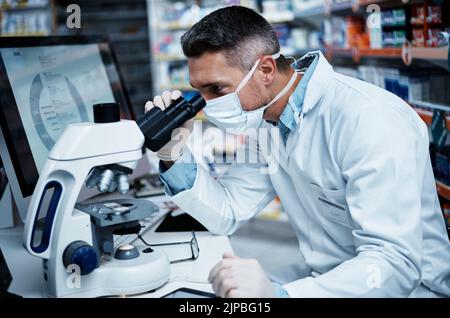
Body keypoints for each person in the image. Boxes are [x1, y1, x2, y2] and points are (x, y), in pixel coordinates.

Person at [145, 6, 450, 298]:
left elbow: (395, 265)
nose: (206, 104)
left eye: (217, 90)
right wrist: (173, 152)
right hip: (328, 280)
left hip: (407, 290)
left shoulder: (367, 119)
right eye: (198, 91)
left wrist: (283, 295)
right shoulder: (266, 123)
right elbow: (229, 211)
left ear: (265, 69)